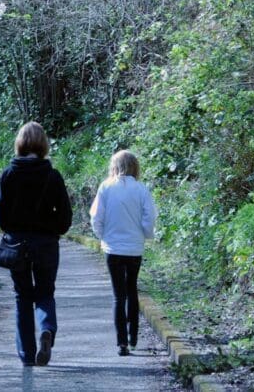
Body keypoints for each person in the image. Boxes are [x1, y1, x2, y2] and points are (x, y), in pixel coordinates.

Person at [0, 121, 73, 366]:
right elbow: (65, 215)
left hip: (17, 245)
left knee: (22, 297)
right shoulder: (52, 175)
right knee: (45, 292)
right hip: (47, 244)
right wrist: (54, 230)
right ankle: (47, 328)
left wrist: (13, 231)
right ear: (43, 144)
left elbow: (2, 216)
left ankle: (27, 355)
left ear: (19, 143)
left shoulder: (8, 174)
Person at [89, 149, 157, 356]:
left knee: (118, 296)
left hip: (112, 248)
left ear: (114, 167)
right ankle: (134, 337)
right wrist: (145, 235)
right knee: (132, 290)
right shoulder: (141, 189)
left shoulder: (105, 187)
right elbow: (149, 218)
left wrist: (103, 236)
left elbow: (96, 217)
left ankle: (122, 343)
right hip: (134, 248)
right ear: (135, 167)